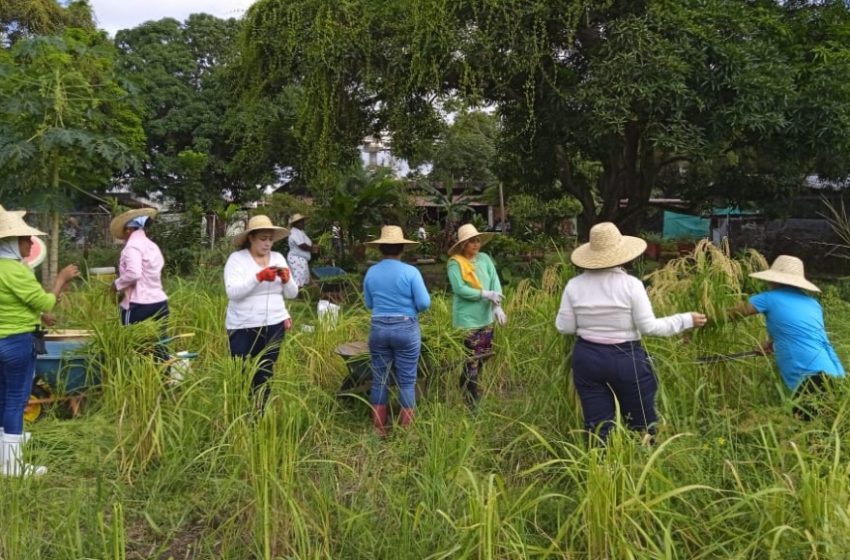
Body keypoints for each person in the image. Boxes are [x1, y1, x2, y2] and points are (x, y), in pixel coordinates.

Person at [555, 222, 707, 441]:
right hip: (625, 358)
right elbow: (649, 327)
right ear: (621, 253)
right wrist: (685, 320)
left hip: (587, 358)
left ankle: (601, 469)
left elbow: (564, 327)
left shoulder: (574, 285)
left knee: (598, 426)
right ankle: (642, 464)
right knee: (642, 422)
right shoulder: (631, 284)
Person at [0, 206, 79, 475]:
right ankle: (12, 466)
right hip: (16, 342)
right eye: (25, 239)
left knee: (2, 398)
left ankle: (4, 456)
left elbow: (11, 304)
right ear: (11, 242)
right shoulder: (16, 271)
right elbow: (46, 301)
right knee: (16, 400)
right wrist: (60, 280)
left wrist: (37, 315)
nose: (30, 243)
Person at [727, 255, 845, 419]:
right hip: (836, 374)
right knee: (825, 435)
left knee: (803, 435)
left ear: (774, 280)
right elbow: (804, 334)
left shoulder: (768, 298)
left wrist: (697, 320)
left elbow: (731, 315)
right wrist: (773, 344)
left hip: (810, 378)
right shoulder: (813, 304)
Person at [225, 215, 299, 408]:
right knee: (241, 369)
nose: (267, 244)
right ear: (251, 238)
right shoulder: (237, 259)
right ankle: (240, 408)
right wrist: (258, 277)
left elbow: (292, 294)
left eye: (270, 239)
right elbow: (232, 292)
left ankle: (260, 410)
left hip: (273, 324)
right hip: (242, 324)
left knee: (265, 369)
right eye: (263, 239)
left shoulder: (278, 258)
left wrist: (286, 280)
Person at [363, 225, 430, 435]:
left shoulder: (371, 272)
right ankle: (407, 430)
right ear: (402, 248)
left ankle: (379, 428)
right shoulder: (411, 272)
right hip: (406, 328)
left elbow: (368, 303)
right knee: (407, 380)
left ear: (380, 248)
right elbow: (424, 303)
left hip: (379, 328)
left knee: (380, 378)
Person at [447, 223, 506, 408]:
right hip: (467, 319)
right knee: (472, 358)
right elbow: (460, 289)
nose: (475, 244)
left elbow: (494, 279)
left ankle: (467, 384)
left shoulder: (485, 259)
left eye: (477, 240)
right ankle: (471, 400)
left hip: (486, 316)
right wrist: (483, 294)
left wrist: (497, 304)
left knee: (484, 355)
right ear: (463, 244)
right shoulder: (455, 263)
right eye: (471, 241)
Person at [111, 208, 169, 328]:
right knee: (160, 344)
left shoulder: (132, 247)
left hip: (138, 304)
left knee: (128, 342)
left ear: (128, 230)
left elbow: (134, 273)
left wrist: (116, 284)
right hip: (160, 302)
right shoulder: (152, 246)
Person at [287, 213, 319, 287]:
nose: (303, 223)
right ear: (296, 223)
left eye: (303, 221)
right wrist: (313, 249)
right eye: (301, 222)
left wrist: (313, 246)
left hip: (301, 259)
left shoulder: (299, 231)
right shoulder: (294, 232)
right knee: (299, 279)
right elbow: (302, 245)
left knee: (302, 278)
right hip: (297, 259)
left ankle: (302, 295)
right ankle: (298, 296)